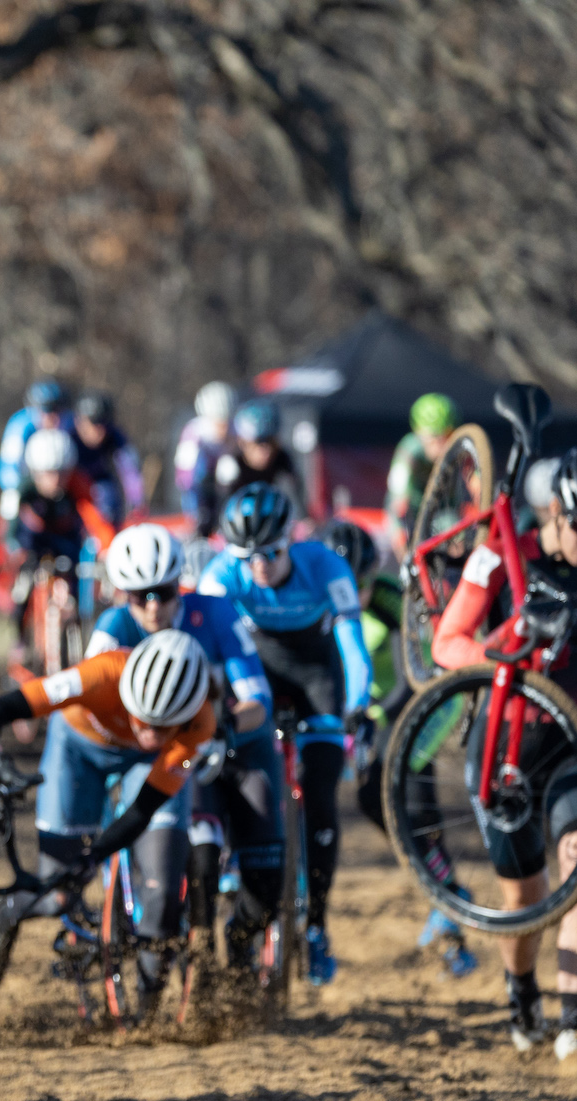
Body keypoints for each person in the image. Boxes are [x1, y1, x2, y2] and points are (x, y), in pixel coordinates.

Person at [430, 443, 577, 1057]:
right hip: (502, 749)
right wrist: (508, 657)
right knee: (523, 898)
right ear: (555, 511)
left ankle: (574, 1030)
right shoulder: (502, 556)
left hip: (572, 742)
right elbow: (447, 645)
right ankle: (521, 989)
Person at [0, 631, 218, 998]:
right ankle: (7, 912)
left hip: (147, 767)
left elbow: (144, 810)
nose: (148, 733)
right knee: (57, 894)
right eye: (142, 719)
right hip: (78, 749)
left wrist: (96, 853)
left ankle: (146, 1014)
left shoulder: (200, 725)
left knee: (162, 887)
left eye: (163, 728)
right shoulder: (100, 674)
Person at [197, 483, 370, 985]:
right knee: (233, 761)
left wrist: (358, 705)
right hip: (258, 675)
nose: (259, 567)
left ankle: (316, 925)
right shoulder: (220, 575)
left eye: (270, 553)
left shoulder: (325, 567)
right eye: (246, 556)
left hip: (318, 677)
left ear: (290, 540)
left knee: (320, 796)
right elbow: (207, 647)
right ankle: (236, 854)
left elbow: (353, 646)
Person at [89, 525, 275, 989]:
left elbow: (257, 699)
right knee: (183, 861)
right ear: (124, 596)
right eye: (140, 596)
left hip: (221, 752)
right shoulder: (113, 629)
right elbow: (86, 709)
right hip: (158, 762)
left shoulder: (214, 615)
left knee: (263, 864)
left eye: (166, 592)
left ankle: (240, 938)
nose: (154, 605)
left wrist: (225, 727)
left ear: (181, 585)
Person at [320, 516, 478, 979]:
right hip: (365, 711)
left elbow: (424, 668)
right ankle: (440, 883)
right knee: (377, 801)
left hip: (418, 701)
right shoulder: (316, 601)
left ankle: (448, 897)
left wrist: (379, 714)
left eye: (362, 583)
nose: (356, 592)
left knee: (403, 788)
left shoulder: (391, 598)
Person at [6, 429, 118, 657]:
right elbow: (11, 529)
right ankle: (20, 639)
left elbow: (97, 520)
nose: (55, 481)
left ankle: (73, 629)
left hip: (66, 540)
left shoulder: (79, 484)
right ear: (35, 472)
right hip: (33, 542)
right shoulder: (22, 490)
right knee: (22, 587)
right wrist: (16, 550)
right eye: (47, 474)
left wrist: (107, 548)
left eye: (61, 473)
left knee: (74, 582)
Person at [195, 400, 306, 538]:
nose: (266, 449)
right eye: (259, 442)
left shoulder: (282, 457)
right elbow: (218, 513)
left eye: (271, 441)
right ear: (243, 442)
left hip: (265, 517)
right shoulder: (230, 463)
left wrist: (305, 520)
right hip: (238, 524)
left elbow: (298, 494)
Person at [385, 393, 458, 557]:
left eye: (447, 437)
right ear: (421, 435)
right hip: (413, 510)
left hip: (443, 511)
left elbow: (476, 482)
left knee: (457, 540)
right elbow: (398, 492)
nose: (442, 446)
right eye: (436, 439)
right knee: (400, 532)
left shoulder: (457, 449)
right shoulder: (410, 449)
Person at [0, 379, 72, 520]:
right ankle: (10, 537)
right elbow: (8, 467)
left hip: (61, 478)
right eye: (46, 411)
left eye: (56, 410)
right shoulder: (20, 425)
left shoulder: (68, 421)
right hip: (27, 478)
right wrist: (25, 488)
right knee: (11, 498)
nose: (52, 417)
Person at [72, 392, 145, 527]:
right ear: (79, 421)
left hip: (99, 481)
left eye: (103, 423)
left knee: (109, 496)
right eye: (93, 423)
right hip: (69, 484)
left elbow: (130, 471)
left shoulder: (116, 436)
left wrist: (136, 503)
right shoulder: (67, 436)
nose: (100, 431)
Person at [175, 380, 235, 517]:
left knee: (230, 468)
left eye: (226, 421)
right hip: (200, 482)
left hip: (223, 480)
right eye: (219, 423)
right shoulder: (193, 432)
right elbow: (185, 475)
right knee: (198, 468)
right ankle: (199, 517)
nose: (224, 429)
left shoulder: (237, 428)